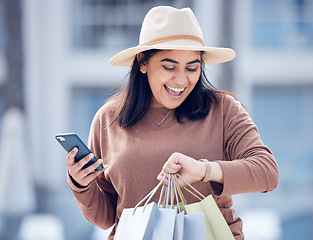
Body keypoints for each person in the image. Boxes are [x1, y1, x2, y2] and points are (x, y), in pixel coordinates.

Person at [66, 5, 279, 240]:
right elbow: (106, 217)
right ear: (143, 63)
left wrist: (205, 170)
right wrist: (81, 184)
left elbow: (267, 172)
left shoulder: (222, 110)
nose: (181, 79)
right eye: (169, 66)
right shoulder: (108, 119)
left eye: (192, 68)